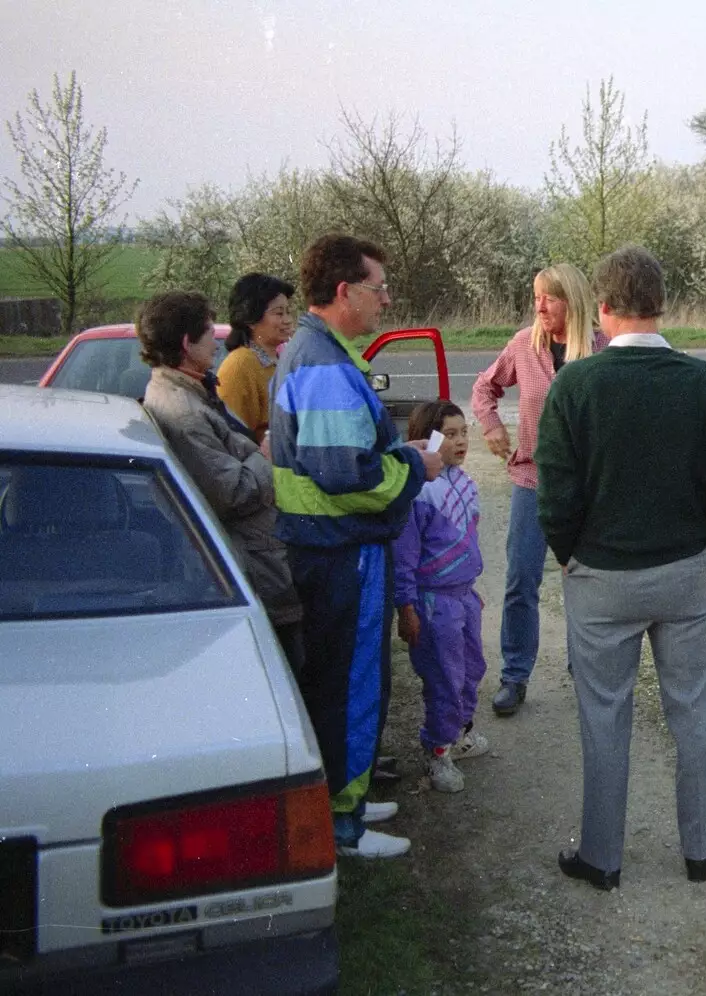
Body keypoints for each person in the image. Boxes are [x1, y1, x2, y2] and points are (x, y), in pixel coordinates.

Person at [536, 246, 706, 890]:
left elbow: (555, 493)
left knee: (604, 717)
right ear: (663, 305)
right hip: (685, 572)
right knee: (692, 710)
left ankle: (602, 858)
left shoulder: (577, 384)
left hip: (600, 578)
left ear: (600, 311)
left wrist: (571, 553)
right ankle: (700, 851)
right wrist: (700, 547)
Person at [270, 234, 442, 859]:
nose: (386, 299)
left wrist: (396, 457)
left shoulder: (321, 354)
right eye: (378, 288)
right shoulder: (323, 366)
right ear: (344, 292)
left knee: (348, 679)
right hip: (340, 553)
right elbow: (351, 474)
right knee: (348, 684)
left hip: (333, 549)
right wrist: (417, 469)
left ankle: (352, 795)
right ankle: (342, 827)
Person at [137, 289, 304, 678]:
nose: (216, 341)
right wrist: (266, 456)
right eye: (209, 332)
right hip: (254, 561)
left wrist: (252, 453)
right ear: (185, 343)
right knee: (288, 671)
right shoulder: (183, 411)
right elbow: (231, 492)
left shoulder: (193, 390)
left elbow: (238, 449)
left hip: (261, 555)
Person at [470, 263, 608, 718]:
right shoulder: (523, 346)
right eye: (536, 298)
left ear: (573, 299)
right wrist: (490, 426)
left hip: (587, 488)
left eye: (549, 297)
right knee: (520, 579)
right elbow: (483, 388)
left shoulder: (603, 349)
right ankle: (515, 675)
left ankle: (584, 672)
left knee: (585, 581)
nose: (540, 306)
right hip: (532, 480)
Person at [393, 400, 489, 794]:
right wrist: (407, 607)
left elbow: (467, 541)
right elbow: (404, 556)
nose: (461, 441)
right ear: (428, 439)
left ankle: (457, 736)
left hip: (462, 598)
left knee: (471, 669)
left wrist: (471, 591)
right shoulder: (419, 494)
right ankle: (436, 752)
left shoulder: (465, 484)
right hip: (434, 604)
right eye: (449, 435)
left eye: (464, 432)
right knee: (444, 678)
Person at [217, 273, 296, 442]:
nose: (288, 320)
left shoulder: (282, 360)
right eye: (279, 313)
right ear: (251, 319)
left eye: (288, 312)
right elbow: (233, 437)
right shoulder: (239, 366)